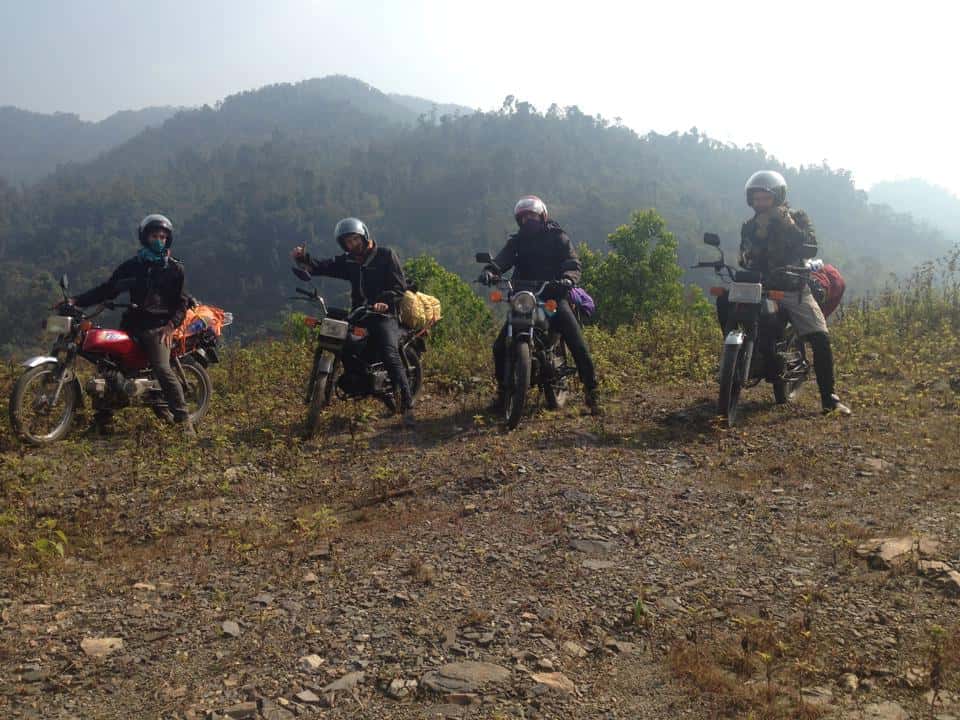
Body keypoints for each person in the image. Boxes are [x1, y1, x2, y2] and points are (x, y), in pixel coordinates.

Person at [738, 171, 851, 415]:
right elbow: (744, 257)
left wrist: (788, 224)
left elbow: (810, 247)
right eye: (756, 199)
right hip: (760, 288)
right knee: (727, 302)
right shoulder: (749, 227)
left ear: (777, 197)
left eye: (765, 198)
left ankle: (829, 398)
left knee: (820, 337)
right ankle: (736, 359)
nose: (760, 203)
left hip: (792, 287)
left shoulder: (797, 218)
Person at [68, 213, 194, 434]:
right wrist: (76, 300)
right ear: (144, 237)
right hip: (131, 325)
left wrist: (170, 326)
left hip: (158, 328)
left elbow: (182, 303)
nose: (159, 240)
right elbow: (108, 289)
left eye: (163, 237)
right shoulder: (132, 266)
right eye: (154, 235)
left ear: (168, 239)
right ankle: (103, 420)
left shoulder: (174, 269)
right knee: (109, 368)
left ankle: (184, 422)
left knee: (162, 368)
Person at [478, 195, 601, 413]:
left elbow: (572, 262)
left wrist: (568, 278)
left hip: (552, 297)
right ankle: (503, 394)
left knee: (577, 342)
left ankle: (592, 391)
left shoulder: (557, 237)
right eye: (523, 217)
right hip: (524, 298)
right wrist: (490, 271)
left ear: (542, 215)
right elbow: (502, 260)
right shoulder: (516, 242)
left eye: (531, 215)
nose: (527, 220)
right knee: (499, 347)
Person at [291, 217, 415, 424]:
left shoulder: (385, 255)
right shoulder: (349, 261)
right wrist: (304, 259)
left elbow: (399, 287)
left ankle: (408, 406)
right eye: (347, 242)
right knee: (343, 343)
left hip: (385, 315)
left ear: (364, 236)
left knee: (388, 351)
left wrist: (383, 301)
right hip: (359, 313)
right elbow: (325, 266)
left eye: (355, 239)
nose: (352, 245)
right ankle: (358, 382)